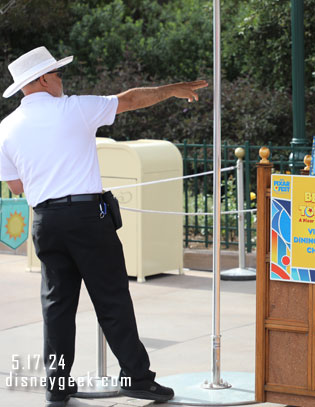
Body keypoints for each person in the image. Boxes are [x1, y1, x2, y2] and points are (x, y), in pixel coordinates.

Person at [0, 46, 208, 407]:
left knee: (57, 308)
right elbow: (128, 100)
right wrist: (169, 89)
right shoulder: (74, 109)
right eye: (58, 74)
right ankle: (136, 378)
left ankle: (58, 386)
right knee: (112, 299)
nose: (62, 80)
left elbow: (15, 187)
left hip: (45, 222)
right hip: (85, 218)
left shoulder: (6, 127)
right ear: (44, 78)